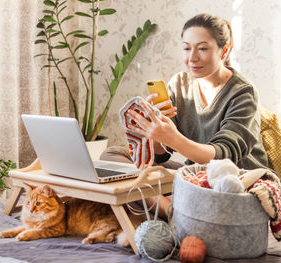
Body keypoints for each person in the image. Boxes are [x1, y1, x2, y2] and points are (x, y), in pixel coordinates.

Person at [101, 13, 269, 220]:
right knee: (112, 157)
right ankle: (173, 211)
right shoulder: (179, 84)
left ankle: (169, 206)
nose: (192, 58)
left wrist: (172, 137)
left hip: (234, 179)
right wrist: (153, 130)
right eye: (187, 48)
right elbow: (162, 155)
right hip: (195, 173)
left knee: (203, 183)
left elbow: (223, 156)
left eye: (203, 48)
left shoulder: (243, 93)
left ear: (223, 50)